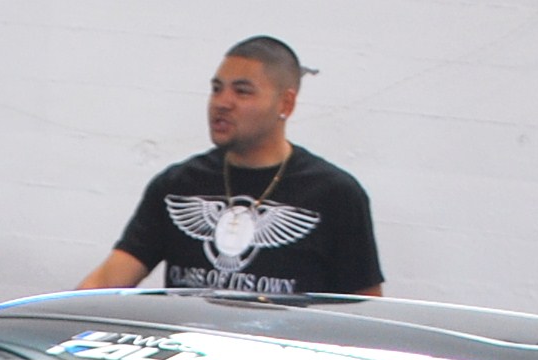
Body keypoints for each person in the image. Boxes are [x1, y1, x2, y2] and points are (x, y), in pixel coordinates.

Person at [81, 35, 383, 298]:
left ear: (285, 104)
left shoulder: (334, 195)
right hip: (188, 344)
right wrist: (58, 331)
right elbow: (108, 281)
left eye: (242, 91)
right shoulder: (177, 185)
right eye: (216, 89)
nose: (222, 103)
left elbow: (364, 313)